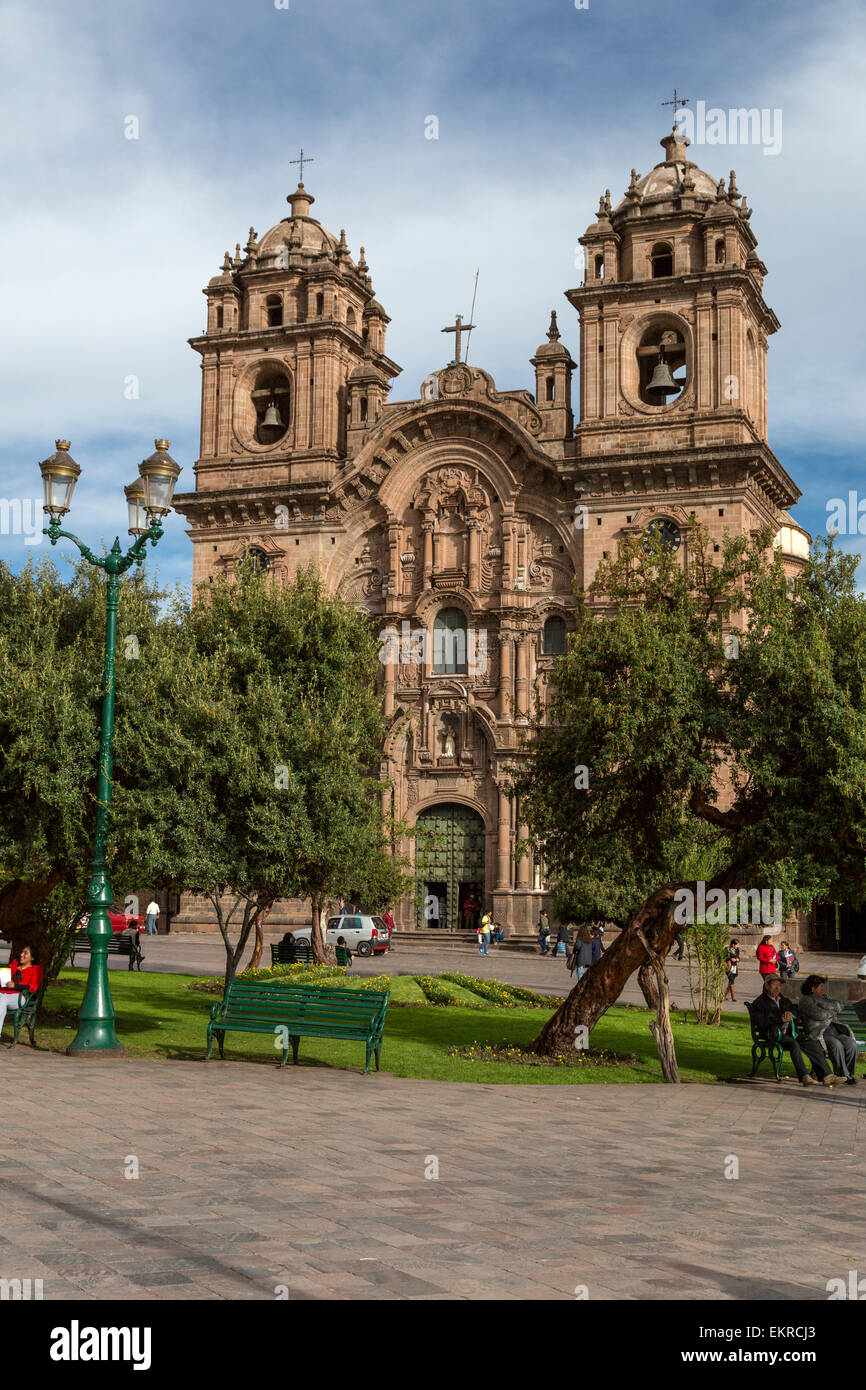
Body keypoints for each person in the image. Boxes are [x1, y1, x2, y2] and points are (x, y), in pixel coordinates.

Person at [749, 976, 837, 1087]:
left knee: (811, 1042)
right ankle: (805, 1076)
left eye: (779, 985)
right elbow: (761, 1022)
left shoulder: (783, 1000)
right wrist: (779, 1019)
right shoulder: (760, 1002)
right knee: (793, 1044)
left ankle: (827, 1076)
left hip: (790, 1032)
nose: (777, 988)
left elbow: (795, 1010)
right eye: (774, 985)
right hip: (773, 1034)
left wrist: (791, 1014)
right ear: (766, 986)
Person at [797, 975, 858, 1084]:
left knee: (851, 1043)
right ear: (812, 988)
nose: (822, 989)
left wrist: (825, 1007)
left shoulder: (824, 997)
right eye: (820, 986)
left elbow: (839, 1005)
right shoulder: (805, 1000)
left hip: (834, 1030)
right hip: (819, 1033)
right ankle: (842, 1075)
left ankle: (848, 1074)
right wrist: (831, 1011)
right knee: (836, 1044)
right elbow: (819, 1015)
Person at [0, 945, 43, 1040]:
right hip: (3, 994)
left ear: (32, 958)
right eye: (22, 952)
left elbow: (32, 987)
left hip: (20, 997)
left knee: (2, 998)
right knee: (1, 1000)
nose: (21, 954)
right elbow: (4, 978)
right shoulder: (15, 965)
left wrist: (15, 986)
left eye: (25, 953)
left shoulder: (35, 970)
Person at [724, 938, 740, 1002]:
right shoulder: (728, 950)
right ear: (733, 945)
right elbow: (725, 957)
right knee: (731, 980)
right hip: (729, 967)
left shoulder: (737, 950)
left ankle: (726, 995)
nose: (738, 946)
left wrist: (738, 959)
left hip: (734, 967)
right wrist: (730, 959)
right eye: (737, 945)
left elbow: (738, 957)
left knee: (731, 981)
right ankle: (733, 996)